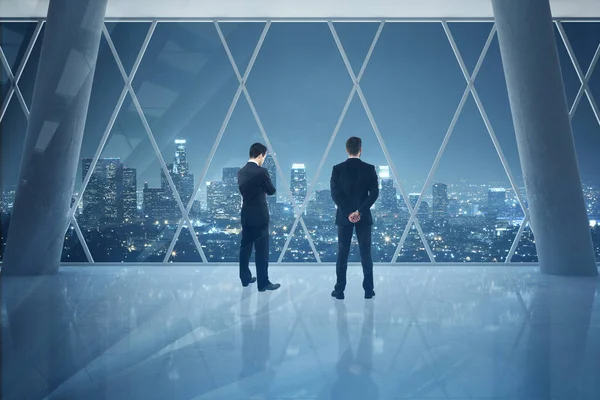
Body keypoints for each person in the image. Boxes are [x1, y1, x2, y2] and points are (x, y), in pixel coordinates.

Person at [330, 137, 379, 299]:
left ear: (346, 149)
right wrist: (360, 211)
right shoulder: (369, 168)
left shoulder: (337, 169)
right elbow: (374, 193)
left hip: (344, 218)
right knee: (365, 253)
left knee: (342, 253)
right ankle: (368, 290)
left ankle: (339, 291)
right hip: (363, 218)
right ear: (361, 149)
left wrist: (348, 212)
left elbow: (335, 194)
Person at [238, 143, 281, 292]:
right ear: (260, 155)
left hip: (246, 215)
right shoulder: (262, 172)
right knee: (261, 251)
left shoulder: (241, 172)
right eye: (265, 156)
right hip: (260, 217)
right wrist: (262, 187)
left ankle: (245, 279)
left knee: (245, 248)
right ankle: (263, 283)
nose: (264, 159)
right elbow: (271, 191)